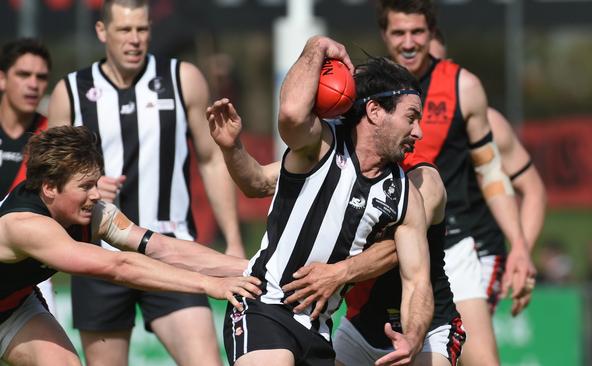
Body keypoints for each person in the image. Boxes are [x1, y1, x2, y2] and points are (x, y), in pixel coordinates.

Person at [211, 36, 434, 366]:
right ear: (375, 111)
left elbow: (417, 282)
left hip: (317, 332)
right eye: (410, 117)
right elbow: (289, 114)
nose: (418, 132)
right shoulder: (320, 145)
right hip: (263, 306)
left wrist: (414, 336)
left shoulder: (405, 196)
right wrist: (316, 47)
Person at [47, 1, 244, 365]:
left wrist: (232, 240)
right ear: (102, 32)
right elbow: (52, 178)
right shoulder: (71, 91)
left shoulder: (182, 78)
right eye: (124, 30)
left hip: (172, 249)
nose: (134, 40)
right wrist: (85, 187)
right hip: (98, 258)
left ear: (151, 29)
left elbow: (211, 159)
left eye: (141, 29)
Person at [0, 125, 261, 366]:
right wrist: (209, 284)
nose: (96, 195)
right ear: (49, 188)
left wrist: (253, 267)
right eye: (85, 186)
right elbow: (118, 266)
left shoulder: (91, 213)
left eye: (96, 183)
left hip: (12, 308)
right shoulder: (25, 225)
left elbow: (162, 248)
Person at [375, 1, 536, 365]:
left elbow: (491, 174)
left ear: (431, 33)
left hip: (452, 245)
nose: (409, 42)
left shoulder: (464, 87)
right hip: (386, 249)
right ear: (385, 35)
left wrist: (520, 245)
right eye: (399, 33)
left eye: (417, 32)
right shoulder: (365, 90)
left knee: (481, 360)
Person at [428, 30, 547, 313]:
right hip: (419, 247)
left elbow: (534, 191)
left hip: (478, 251)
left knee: (463, 347)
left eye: (433, 64)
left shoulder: (488, 123)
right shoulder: (392, 120)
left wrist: (521, 251)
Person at [0, 38, 57, 316]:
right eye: (24, 74)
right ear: (1, 78)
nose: (33, 84)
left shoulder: (53, 137)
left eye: (41, 77)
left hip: (29, 264)